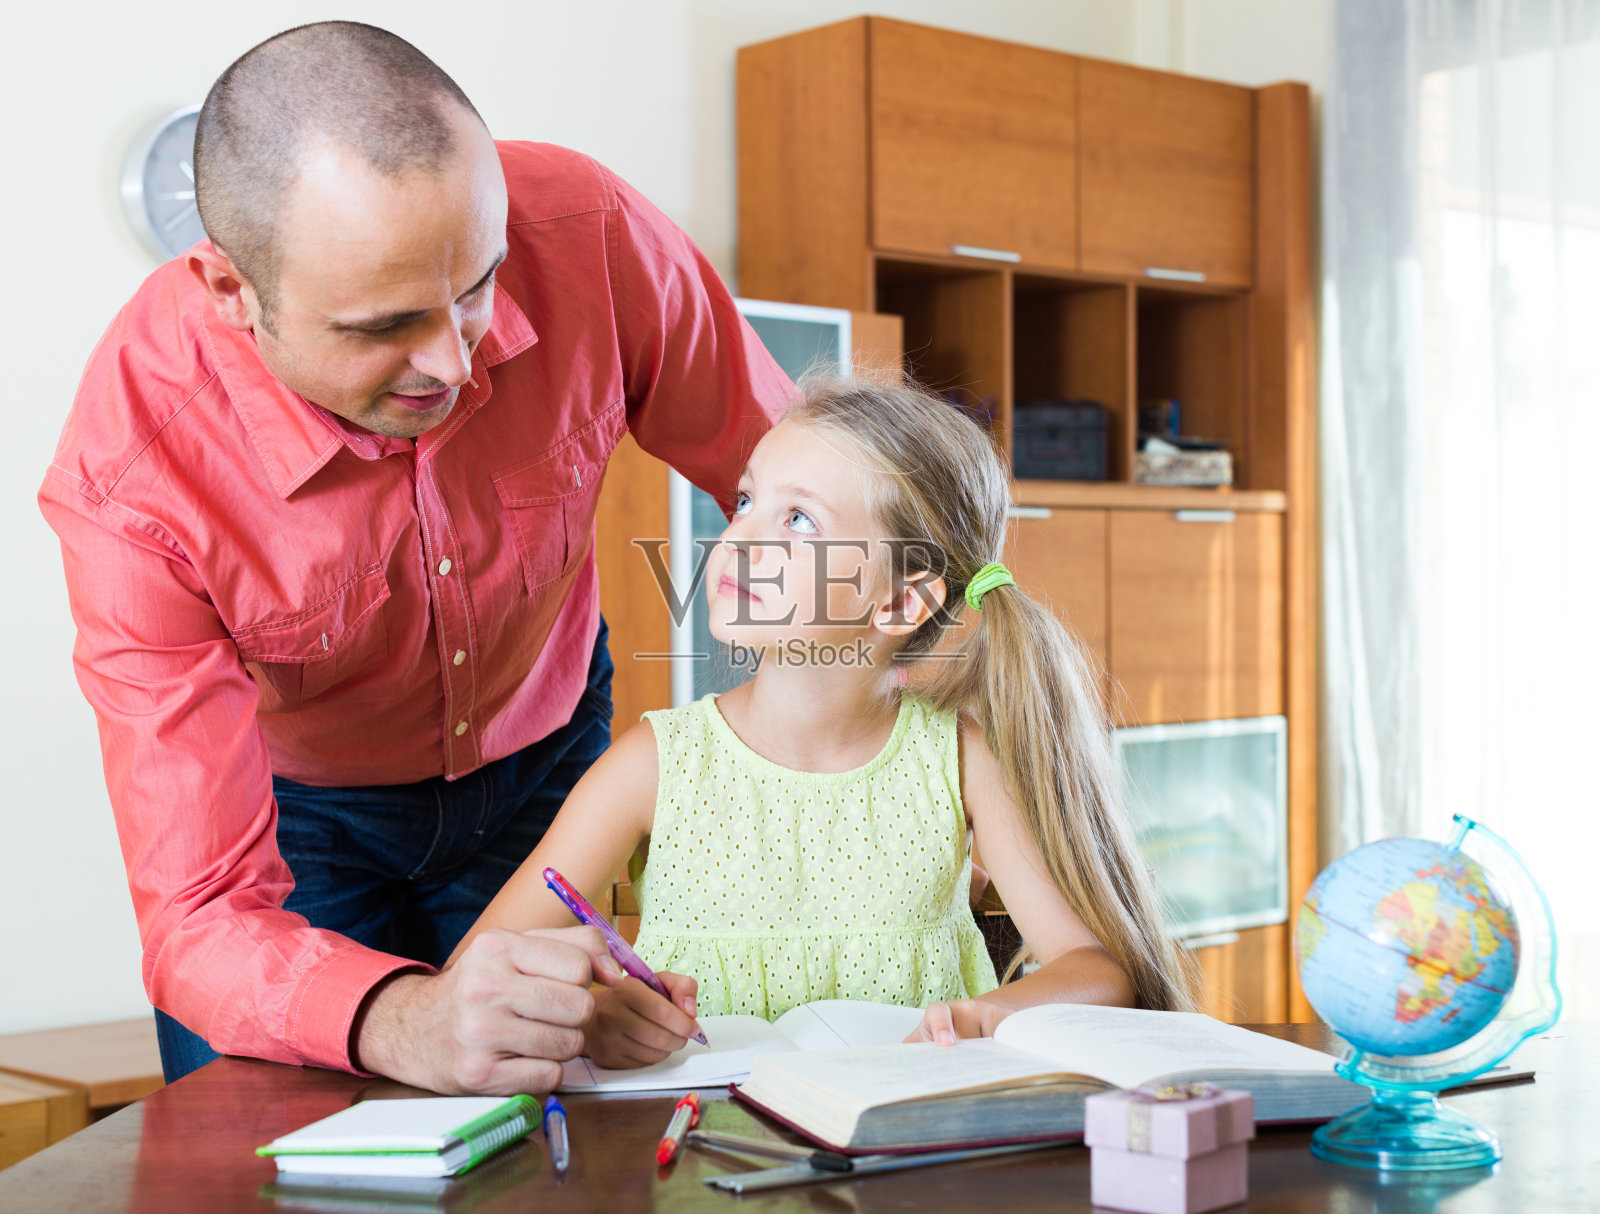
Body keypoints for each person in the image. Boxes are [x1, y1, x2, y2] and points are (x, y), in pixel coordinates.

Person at [38, 21, 792, 1094]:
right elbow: (202, 915)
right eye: (385, 323)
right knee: (279, 1161)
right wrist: (402, 1018)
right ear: (228, 290)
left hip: (546, 763)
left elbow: (805, 474)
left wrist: (901, 669)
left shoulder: (590, 231)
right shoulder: (134, 474)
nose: (453, 359)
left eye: (479, 283)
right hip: (304, 826)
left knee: (566, 1144)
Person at [455, 378, 1195, 1069]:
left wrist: (985, 1017)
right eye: (746, 501)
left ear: (901, 603)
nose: (739, 536)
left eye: (798, 519)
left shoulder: (959, 762)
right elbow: (473, 976)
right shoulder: (655, 762)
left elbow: (1096, 972)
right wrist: (588, 1011)